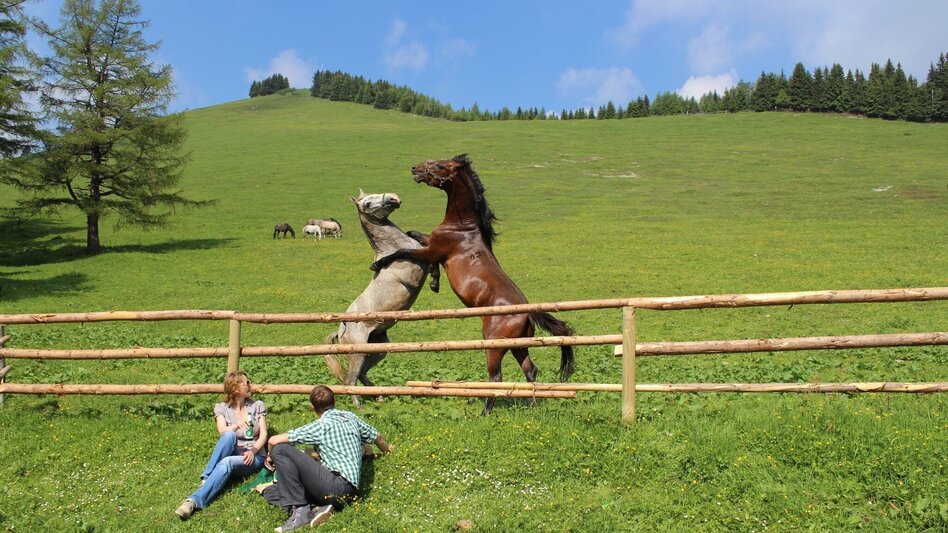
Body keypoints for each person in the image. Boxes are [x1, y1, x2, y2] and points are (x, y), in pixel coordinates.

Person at [266, 385, 392, 532]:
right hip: (350, 492)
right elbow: (378, 437)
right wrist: (388, 452)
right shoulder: (350, 417)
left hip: (334, 485)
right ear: (335, 401)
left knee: (281, 450)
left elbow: (273, 440)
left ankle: (301, 511)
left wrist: (270, 457)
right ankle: (320, 508)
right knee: (271, 492)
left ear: (313, 407)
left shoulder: (320, 426)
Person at [175, 371, 269, 520]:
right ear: (236, 388)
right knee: (229, 435)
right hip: (234, 450)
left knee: (227, 462)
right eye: (247, 382)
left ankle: (193, 501)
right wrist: (237, 425)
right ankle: (207, 479)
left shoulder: (257, 406)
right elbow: (222, 431)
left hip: (254, 455)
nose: (250, 385)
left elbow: (263, 434)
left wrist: (253, 451)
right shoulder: (222, 408)